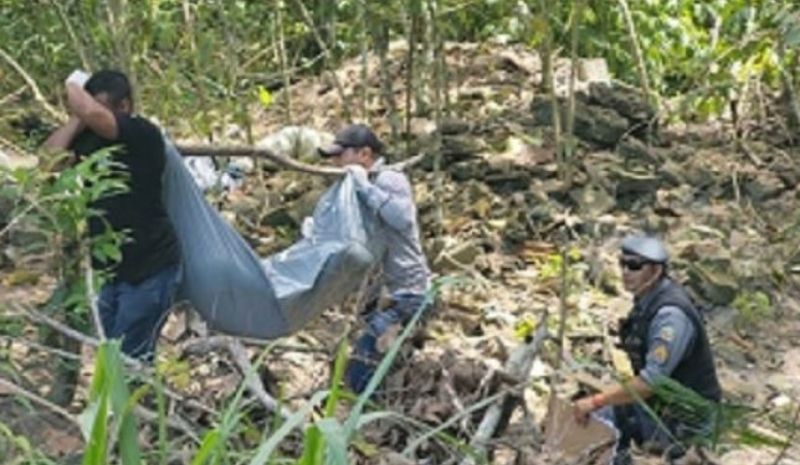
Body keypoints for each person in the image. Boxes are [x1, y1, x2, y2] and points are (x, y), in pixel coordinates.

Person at [43, 69, 181, 360]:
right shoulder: (91, 140)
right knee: (110, 355)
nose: (94, 118)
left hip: (150, 268)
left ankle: (136, 406)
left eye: (100, 111)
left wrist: (72, 83)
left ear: (124, 107)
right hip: (110, 273)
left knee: (129, 360)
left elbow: (88, 109)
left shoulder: (142, 133)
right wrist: (78, 120)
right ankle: (127, 405)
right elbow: (47, 162)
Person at [572, 235, 722, 465]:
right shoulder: (647, 301)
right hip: (661, 406)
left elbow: (650, 383)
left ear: (654, 270)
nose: (625, 272)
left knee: (600, 417)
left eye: (634, 266)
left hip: (687, 420)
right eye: (622, 263)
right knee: (597, 424)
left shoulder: (670, 316)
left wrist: (595, 400)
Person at [318, 123, 432, 393]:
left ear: (364, 155)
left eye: (340, 155)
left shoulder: (388, 179)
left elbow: (402, 218)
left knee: (361, 369)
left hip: (407, 292)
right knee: (375, 365)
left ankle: (375, 421)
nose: (335, 162)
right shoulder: (360, 186)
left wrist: (364, 185)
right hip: (382, 293)